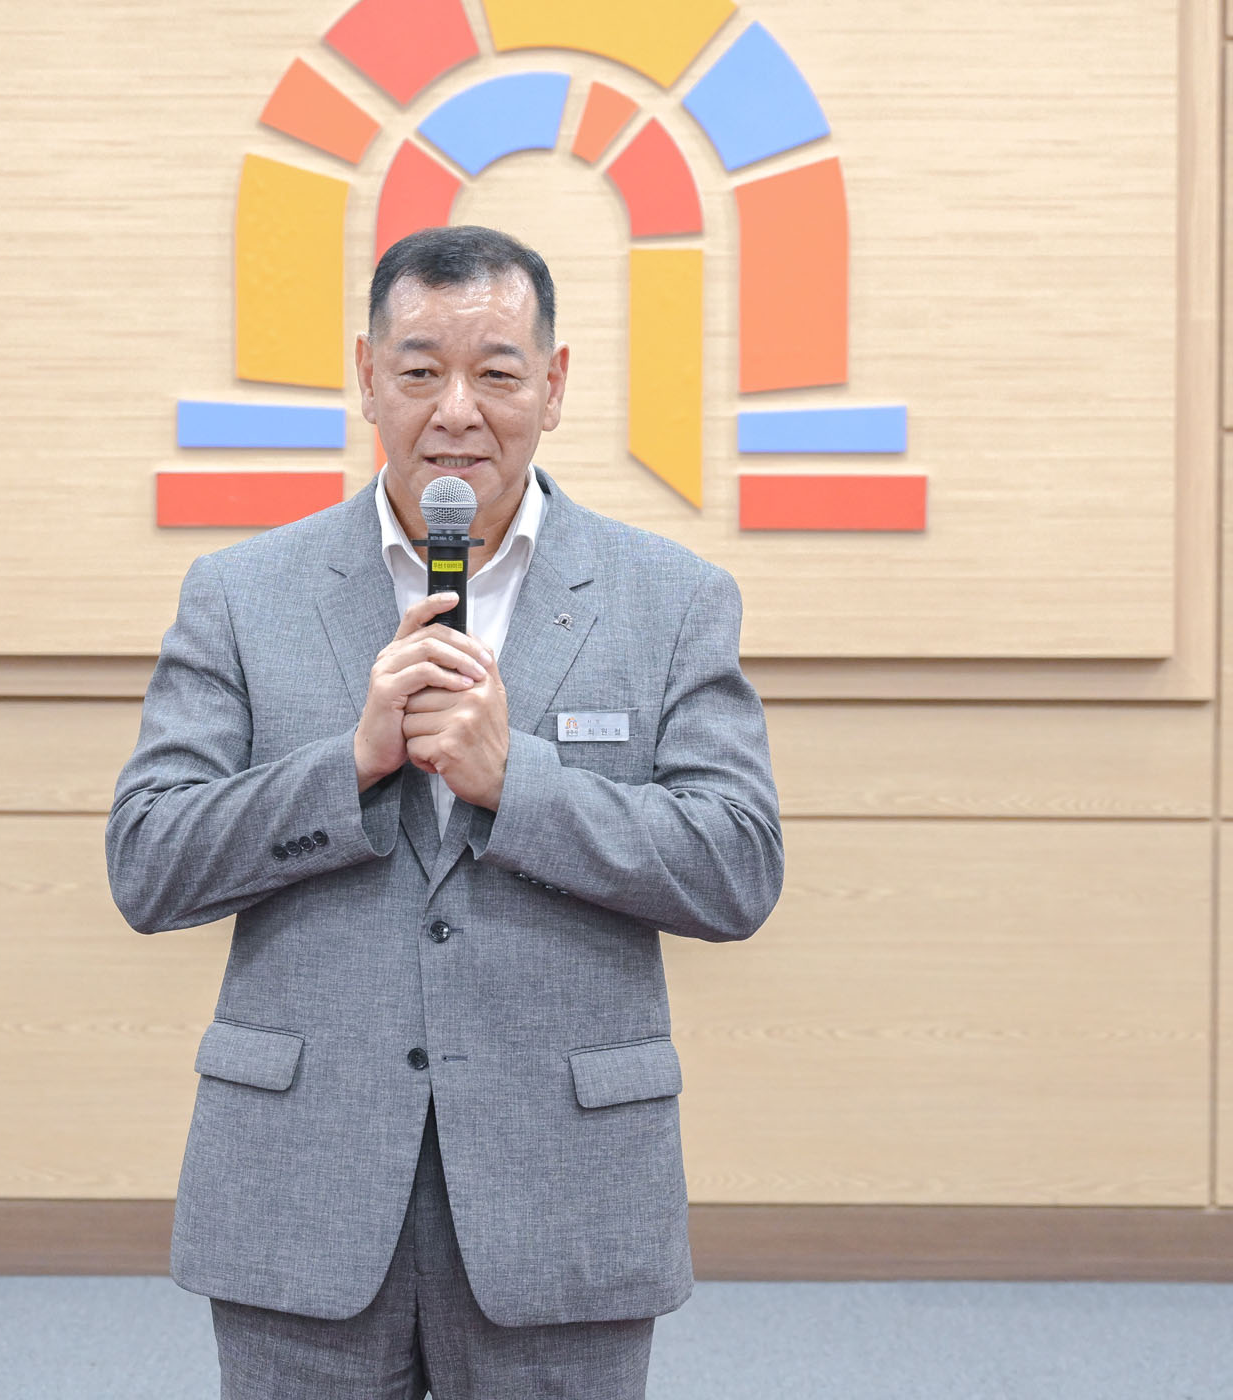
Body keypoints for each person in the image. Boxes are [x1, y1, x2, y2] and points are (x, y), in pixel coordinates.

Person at [105, 225, 783, 1399]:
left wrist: (520, 782)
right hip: (305, 1186)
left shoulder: (670, 601)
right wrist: (349, 764)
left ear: (554, 386)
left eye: (497, 372)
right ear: (366, 377)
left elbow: (735, 865)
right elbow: (150, 860)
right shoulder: (243, 594)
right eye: (420, 371)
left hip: (561, 1192)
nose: (456, 410)